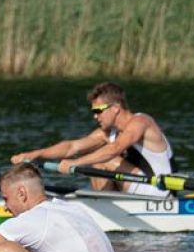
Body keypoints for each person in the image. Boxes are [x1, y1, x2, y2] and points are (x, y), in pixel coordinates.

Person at [10, 82, 173, 197]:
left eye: (98, 110)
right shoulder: (107, 132)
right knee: (97, 158)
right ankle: (105, 202)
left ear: (116, 108)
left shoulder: (141, 122)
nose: (95, 116)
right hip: (136, 190)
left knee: (103, 160)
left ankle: (103, 204)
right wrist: (34, 154)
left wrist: (75, 163)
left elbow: (114, 149)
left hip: (159, 190)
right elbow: (71, 147)